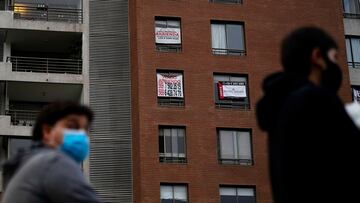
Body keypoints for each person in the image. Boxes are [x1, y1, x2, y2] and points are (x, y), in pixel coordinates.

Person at [257, 27, 360, 203]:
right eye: (334, 57)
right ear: (317, 56)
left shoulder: (277, 108)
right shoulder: (318, 99)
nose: (336, 65)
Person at [1, 102, 103, 203]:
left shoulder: (28, 165)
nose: (81, 134)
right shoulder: (54, 162)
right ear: (47, 131)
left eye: (85, 130)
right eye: (72, 126)